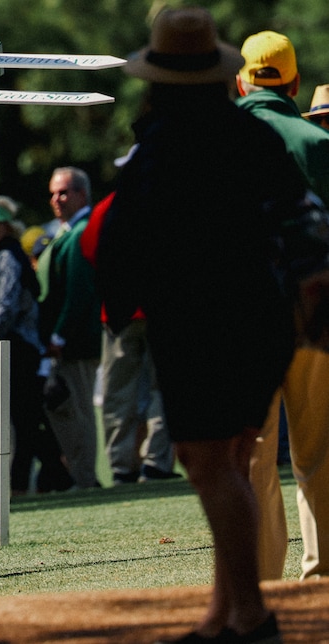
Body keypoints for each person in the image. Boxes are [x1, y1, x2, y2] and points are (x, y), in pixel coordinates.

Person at [96, 8, 308, 642]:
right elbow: (301, 220)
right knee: (234, 458)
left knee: (208, 462)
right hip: (265, 321)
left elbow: (122, 243)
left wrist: (120, 306)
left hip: (199, 325)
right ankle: (226, 611)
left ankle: (249, 614)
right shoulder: (253, 139)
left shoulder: (160, 147)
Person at [235, 30, 329, 582]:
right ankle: (321, 579)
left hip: (244, 314)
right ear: (294, 82)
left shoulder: (215, 139)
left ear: (242, 79)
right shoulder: (317, 144)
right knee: (317, 451)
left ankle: (261, 582)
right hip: (314, 308)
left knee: (253, 452)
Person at [0, 199, 71, 499]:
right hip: (0, 347)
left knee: (20, 421)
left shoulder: (8, 256)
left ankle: (17, 486)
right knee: (1, 422)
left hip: (14, 348)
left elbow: (8, 303)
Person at [81, 188, 177, 486]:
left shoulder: (110, 204)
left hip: (120, 311)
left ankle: (123, 465)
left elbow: (89, 248)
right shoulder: (173, 198)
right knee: (165, 389)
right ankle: (156, 462)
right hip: (164, 308)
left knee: (119, 392)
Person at [36, 167, 102, 490]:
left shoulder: (80, 233)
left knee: (79, 412)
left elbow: (78, 293)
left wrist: (59, 336)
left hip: (75, 342)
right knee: (69, 410)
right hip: (64, 340)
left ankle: (85, 478)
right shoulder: (67, 232)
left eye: (63, 192)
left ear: (81, 194)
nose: (56, 200)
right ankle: (77, 474)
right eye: (52, 193)